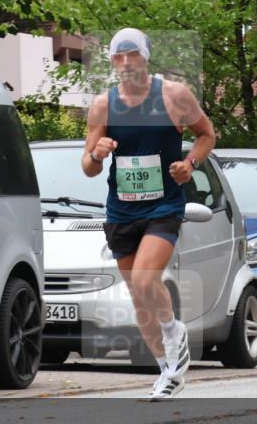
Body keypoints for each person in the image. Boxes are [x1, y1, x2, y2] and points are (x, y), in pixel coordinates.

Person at [82, 28, 216, 399]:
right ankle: (167, 370)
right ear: (112, 62)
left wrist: (189, 163)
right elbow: (87, 166)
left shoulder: (174, 95)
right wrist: (98, 154)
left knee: (145, 279)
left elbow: (207, 135)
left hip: (163, 205)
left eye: (132, 54)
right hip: (121, 208)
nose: (125, 63)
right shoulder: (103, 105)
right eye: (118, 56)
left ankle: (174, 330)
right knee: (139, 296)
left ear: (145, 57)